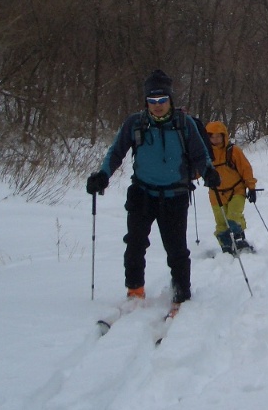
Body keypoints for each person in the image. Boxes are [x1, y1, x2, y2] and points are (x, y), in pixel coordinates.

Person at [86, 69, 220, 305]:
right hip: (142, 193)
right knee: (135, 244)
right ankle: (135, 289)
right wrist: (103, 175)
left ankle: (181, 292)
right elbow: (116, 152)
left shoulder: (184, 124)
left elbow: (200, 154)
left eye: (162, 100)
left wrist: (209, 172)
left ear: (170, 100)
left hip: (175, 195)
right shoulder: (135, 124)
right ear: (146, 101)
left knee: (176, 249)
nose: (157, 106)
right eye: (152, 101)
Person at [204, 120, 258, 254]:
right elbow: (197, 171)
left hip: (236, 190)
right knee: (222, 224)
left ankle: (239, 240)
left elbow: (246, 169)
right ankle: (226, 245)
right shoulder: (205, 153)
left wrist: (251, 187)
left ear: (224, 136)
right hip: (216, 194)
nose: (215, 139)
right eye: (212, 136)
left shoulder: (233, 151)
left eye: (218, 136)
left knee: (233, 217)